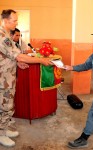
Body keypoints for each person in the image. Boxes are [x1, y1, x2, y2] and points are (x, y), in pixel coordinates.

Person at [0, 9, 52, 147]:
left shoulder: (6, 34)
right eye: (14, 20)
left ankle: (3, 129)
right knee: (5, 106)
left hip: (7, 77)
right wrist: (41, 61)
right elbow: (19, 55)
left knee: (7, 106)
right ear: (5, 21)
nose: (17, 23)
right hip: (2, 79)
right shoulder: (2, 36)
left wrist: (17, 62)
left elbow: (10, 55)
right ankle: (1, 134)